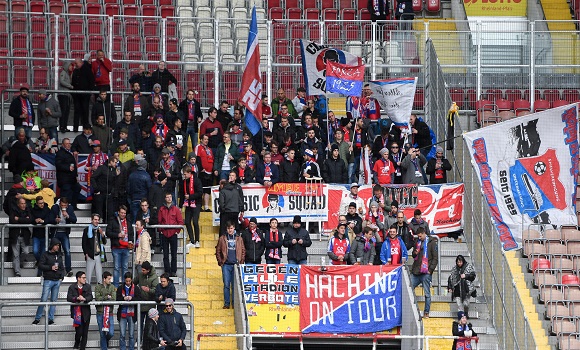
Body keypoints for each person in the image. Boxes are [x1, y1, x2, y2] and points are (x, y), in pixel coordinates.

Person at [33, 238, 64, 325]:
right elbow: (40, 266)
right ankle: (37, 318)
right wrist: (51, 267)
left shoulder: (60, 255)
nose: (57, 247)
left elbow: (62, 267)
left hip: (57, 280)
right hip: (48, 280)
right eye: (56, 245)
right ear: (52, 245)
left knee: (54, 300)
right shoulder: (45, 254)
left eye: (58, 245)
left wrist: (62, 277)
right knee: (44, 299)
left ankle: (51, 319)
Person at [216, 222, 245, 309]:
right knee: (226, 285)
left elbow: (243, 251)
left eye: (231, 228)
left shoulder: (239, 238)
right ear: (226, 229)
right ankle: (227, 303)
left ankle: (234, 304)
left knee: (235, 286)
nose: (230, 230)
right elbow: (218, 251)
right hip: (226, 265)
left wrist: (241, 261)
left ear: (234, 228)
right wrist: (221, 262)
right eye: (228, 228)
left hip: (236, 265)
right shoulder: (222, 238)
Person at [411, 227, 438, 319]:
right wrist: (415, 252)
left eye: (420, 236)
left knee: (427, 293)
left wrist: (430, 270)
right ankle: (411, 309)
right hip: (416, 271)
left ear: (424, 233)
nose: (419, 238)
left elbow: (435, 258)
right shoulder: (417, 242)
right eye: (418, 236)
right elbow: (413, 255)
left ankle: (426, 312)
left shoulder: (432, 242)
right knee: (409, 288)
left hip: (426, 271)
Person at [49, 197, 77, 277]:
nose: (63, 207)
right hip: (56, 232)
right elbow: (49, 219)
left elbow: (74, 220)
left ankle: (68, 270)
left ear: (67, 205)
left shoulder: (70, 208)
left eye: (65, 205)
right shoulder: (55, 207)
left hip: (64, 232)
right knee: (55, 251)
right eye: (62, 205)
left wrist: (68, 216)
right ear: (59, 204)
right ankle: (56, 269)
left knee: (67, 251)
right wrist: (55, 220)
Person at [107, 205, 134, 287]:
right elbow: (108, 233)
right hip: (116, 247)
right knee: (116, 268)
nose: (123, 214)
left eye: (124, 213)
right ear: (118, 212)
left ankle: (124, 286)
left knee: (125, 268)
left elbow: (131, 234)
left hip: (126, 247)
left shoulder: (128, 221)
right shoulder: (113, 220)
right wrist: (117, 235)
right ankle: (115, 287)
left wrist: (131, 241)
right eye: (121, 213)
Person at [158, 192, 184, 277]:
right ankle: (167, 271)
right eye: (167, 197)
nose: (169, 198)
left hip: (173, 234)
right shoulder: (161, 209)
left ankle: (173, 271)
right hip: (164, 234)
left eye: (170, 197)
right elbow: (159, 221)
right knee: (165, 254)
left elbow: (180, 221)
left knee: (174, 254)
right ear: (165, 198)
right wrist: (161, 230)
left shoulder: (176, 209)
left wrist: (177, 231)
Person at [67, 271, 93, 350]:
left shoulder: (88, 286)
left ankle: (82, 348)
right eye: (83, 278)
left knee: (85, 333)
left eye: (85, 278)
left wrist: (85, 299)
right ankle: (77, 342)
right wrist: (76, 298)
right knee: (79, 332)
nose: (85, 279)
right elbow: (69, 297)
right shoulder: (72, 287)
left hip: (86, 312)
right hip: (77, 312)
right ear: (78, 278)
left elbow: (90, 296)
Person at [116, 272, 142, 350]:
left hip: (132, 314)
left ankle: (131, 348)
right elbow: (117, 299)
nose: (128, 283)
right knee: (122, 334)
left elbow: (139, 299)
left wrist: (132, 298)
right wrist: (123, 299)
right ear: (124, 280)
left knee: (131, 334)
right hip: (122, 313)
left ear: (131, 280)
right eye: (126, 281)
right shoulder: (120, 288)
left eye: (129, 281)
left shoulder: (136, 288)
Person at [8, 197, 32, 277]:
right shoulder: (13, 210)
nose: (23, 205)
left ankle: (20, 263)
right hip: (15, 236)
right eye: (22, 203)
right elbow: (12, 220)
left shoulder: (28, 210)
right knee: (15, 255)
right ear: (18, 204)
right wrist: (24, 219)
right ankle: (17, 272)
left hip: (24, 236)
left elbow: (30, 220)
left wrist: (19, 219)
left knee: (26, 252)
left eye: (24, 203)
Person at [55, 138, 82, 209]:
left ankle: (73, 206)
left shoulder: (70, 152)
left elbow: (74, 165)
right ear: (63, 144)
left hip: (72, 179)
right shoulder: (60, 153)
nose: (68, 145)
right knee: (66, 193)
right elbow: (58, 165)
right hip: (64, 179)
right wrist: (68, 167)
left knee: (77, 188)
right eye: (67, 143)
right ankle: (64, 207)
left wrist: (76, 175)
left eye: (69, 143)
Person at [71, 55, 95, 132]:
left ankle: (85, 126)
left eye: (76, 63)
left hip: (85, 95)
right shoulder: (75, 71)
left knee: (85, 110)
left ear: (81, 62)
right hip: (77, 95)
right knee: (77, 110)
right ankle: (75, 127)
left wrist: (90, 91)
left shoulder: (87, 70)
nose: (75, 65)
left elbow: (91, 81)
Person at [180, 166, 202, 247]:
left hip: (196, 203)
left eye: (185, 174)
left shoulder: (197, 180)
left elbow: (200, 193)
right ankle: (192, 240)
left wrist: (190, 197)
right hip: (188, 204)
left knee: (195, 221)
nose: (184, 176)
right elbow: (182, 194)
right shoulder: (183, 182)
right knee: (187, 222)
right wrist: (180, 206)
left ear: (189, 173)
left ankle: (197, 241)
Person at [82, 213, 107, 285]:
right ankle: (87, 292)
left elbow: (104, 242)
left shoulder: (100, 230)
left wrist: (102, 234)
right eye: (95, 219)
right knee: (88, 277)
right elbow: (84, 243)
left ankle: (99, 293)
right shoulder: (87, 230)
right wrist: (86, 253)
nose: (97, 221)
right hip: (90, 255)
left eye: (98, 220)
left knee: (99, 276)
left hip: (98, 255)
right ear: (92, 220)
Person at [134, 261, 158, 329]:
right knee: (140, 325)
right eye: (142, 270)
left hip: (150, 304)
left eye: (144, 270)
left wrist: (149, 290)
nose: (142, 271)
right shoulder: (140, 275)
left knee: (148, 326)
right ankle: (139, 338)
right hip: (141, 303)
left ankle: (146, 339)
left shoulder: (154, 277)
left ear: (148, 270)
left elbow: (156, 290)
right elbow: (133, 283)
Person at [95, 271, 116, 350]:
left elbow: (114, 298)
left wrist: (103, 297)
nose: (110, 280)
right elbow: (97, 298)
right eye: (109, 279)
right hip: (100, 312)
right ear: (104, 279)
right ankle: (104, 348)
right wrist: (107, 297)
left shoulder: (112, 286)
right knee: (102, 333)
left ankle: (106, 341)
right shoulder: (98, 287)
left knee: (111, 333)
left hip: (109, 312)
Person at [59, 62, 74, 132]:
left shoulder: (68, 74)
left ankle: (65, 126)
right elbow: (62, 81)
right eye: (70, 66)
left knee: (67, 111)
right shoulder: (63, 73)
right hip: (63, 94)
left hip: (67, 95)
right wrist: (70, 86)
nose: (71, 67)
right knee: (63, 111)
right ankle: (62, 126)